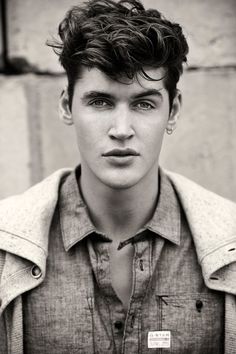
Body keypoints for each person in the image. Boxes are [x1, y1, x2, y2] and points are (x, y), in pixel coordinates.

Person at [0, 0, 236, 353]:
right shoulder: (6, 248)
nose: (122, 130)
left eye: (144, 104)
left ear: (172, 111)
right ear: (67, 106)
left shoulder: (229, 242)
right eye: (100, 102)